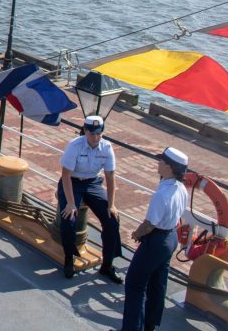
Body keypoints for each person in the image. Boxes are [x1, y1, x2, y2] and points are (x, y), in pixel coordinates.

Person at [116, 147, 189, 331]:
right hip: (171, 238)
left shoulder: (161, 195)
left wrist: (137, 234)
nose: (158, 163)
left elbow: (150, 223)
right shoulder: (180, 189)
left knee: (135, 285)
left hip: (156, 241)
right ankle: (150, 325)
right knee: (158, 284)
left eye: (162, 161)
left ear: (170, 167)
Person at [58, 114, 123, 281]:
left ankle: (107, 265)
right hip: (73, 181)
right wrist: (71, 203)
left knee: (112, 219)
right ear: (85, 131)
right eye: (92, 133)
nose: (95, 137)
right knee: (68, 219)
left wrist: (111, 204)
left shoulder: (107, 148)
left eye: (99, 133)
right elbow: (66, 175)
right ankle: (68, 258)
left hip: (93, 182)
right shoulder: (74, 146)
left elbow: (110, 176)